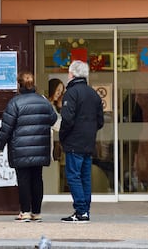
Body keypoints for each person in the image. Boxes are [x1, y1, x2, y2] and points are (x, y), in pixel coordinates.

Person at [0, 71, 57, 222]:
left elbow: (6, 128)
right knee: (37, 179)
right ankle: (37, 212)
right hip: (40, 148)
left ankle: (25, 212)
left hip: (20, 149)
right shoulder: (43, 101)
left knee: (23, 180)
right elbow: (53, 119)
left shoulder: (14, 103)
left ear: (19, 85)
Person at [59, 60, 104, 223]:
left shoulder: (71, 93)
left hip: (74, 141)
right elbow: (100, 121)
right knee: (85, 176)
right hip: (88, 141)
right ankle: (85, 210)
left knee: (73, 176)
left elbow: (67, 119)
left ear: (71, 74)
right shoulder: (93, 94)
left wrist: (62, 136)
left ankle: (80, 210)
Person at [48, 78, 65, 160]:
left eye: (61, 91)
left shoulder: (54, 106)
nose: (59, 93)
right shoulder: (47, 105)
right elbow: (58, 125)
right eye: (58, 90)